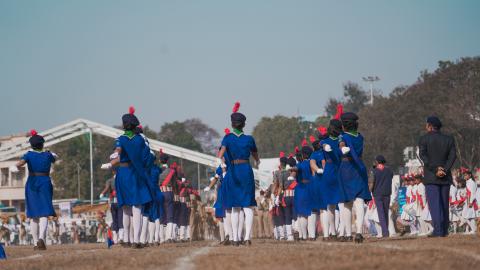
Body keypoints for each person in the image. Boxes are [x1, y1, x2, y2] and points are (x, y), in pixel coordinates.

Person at [100, 106, 153, 248]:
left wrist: (111, 163)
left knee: (125, 208)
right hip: (136, 174)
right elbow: (146, 158)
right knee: (137, 207)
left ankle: (127, 238)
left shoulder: (120, 139)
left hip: (123, 174)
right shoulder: (140, 140)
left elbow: (118, 152)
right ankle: (137, 240)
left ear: (124, 125)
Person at [217, 102, 259, 246]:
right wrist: (258, 163)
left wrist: (221, 158)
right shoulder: (249, 139)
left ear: (232, 124)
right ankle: (247, 237)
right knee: (247, 206)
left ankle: (235, 238)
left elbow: (221, 153)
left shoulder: (227, 138)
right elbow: (256, 156)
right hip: (246, 170)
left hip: (233, 171)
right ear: (243, 125)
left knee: (235, 207)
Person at [10, 130, 57, 251]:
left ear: (31, 145)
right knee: (44, 213)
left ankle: (36, 243)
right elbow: (54, 157)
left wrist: (15, 166)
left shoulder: (29, 155)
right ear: (42, 144)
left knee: (33, 214)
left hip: (32, 183)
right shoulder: (47, 154)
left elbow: (20, 163)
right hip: (45, 182)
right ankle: (42, 238)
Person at [418, 116, 456, 237]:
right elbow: (452, 156)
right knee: (444, 204)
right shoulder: (449, 139)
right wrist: (444, 169)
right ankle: (444, 230)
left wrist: (436, 169)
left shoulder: (424, 139)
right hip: (445, 176)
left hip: (431, 176)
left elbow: (424, 157)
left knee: (435, 205)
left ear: (429, 125)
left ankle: (438, 231)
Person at [337, 112, 371, 243]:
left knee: (347, 203)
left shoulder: (343, 136)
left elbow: (341, 145)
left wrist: (343, 148)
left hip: (346, 168)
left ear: (344, 124)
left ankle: (347, 233)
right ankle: (359, 232)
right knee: (359, 200)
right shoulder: (360, 137)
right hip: (359, 168)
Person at [318, 116, 343, 241]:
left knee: (342, 204)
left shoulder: (341, 140)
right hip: (329, 172)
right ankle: (332, 232)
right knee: (330, 206)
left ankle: (343, 232)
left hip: (339, 171)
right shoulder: (325, 141)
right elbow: (322, 143)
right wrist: (325, 145)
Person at [371, 155, 393, 238]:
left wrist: (370, 191)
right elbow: (391, 176)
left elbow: (372, 183)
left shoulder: (374, 171)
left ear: (377, 162)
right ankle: (385, 231)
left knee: (381, 213)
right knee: (385, 212)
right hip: (387, 193)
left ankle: (385, 232)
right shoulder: (389, 170)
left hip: (377, 194)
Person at [99, 172, 124, 244]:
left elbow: (107, 188)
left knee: (115, 220)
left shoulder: (109, 181)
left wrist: (102, 193)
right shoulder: (121, 180)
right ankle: (120, 237)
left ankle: (115, 238)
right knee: (120, 219)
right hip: (120, 202)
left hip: (112, 202)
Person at [461, 168, 477, 234]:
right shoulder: (468, 182)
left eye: (466, 175)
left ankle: (474, 229)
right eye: (464, 175)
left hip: (470, 201)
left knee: (466, 216)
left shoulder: (471, 182)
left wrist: (470, 202)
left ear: (470, 175)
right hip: (467, 201)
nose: (464, 176)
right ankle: (473, 230)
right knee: (469, 216)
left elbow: (473, 193)